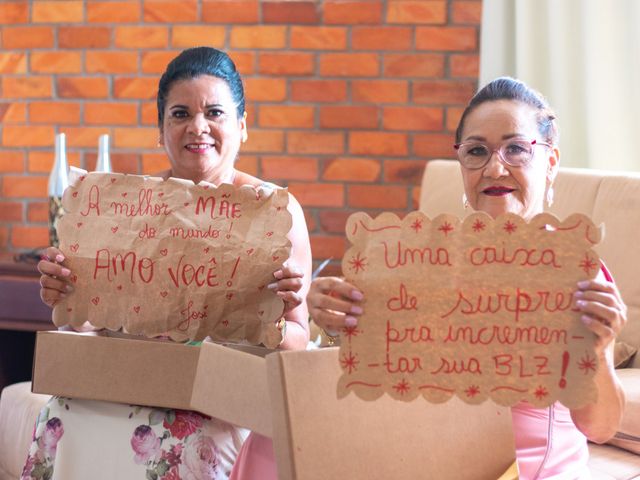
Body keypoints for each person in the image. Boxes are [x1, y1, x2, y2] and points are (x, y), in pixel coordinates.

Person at [307, 77, 627, 480]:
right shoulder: (418, 262)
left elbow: (600, 428)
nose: (495, 167)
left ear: (550, 162)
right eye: (477, 151)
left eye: (516, 148)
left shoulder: (575, 272)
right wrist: (336, 318)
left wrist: (600, 353)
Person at [28, 47, 312, 480]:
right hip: (129, 380)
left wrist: (274, 319)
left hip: (220, 399)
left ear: (242, 125)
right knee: (60, 411)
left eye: (214, 112)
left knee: (181, 437)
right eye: (180, 114)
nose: (198, 127)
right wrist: (72, 298)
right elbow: (92, 330)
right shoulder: (124, 207)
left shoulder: (275, 212)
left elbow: (298, 339)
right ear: (160, 131)